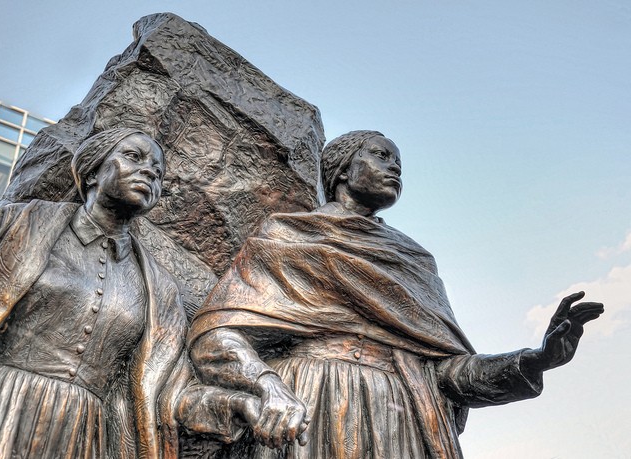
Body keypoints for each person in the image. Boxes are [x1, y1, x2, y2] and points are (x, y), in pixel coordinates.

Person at [187, 130, 604, 458]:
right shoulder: (286, 236)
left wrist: (537, 359)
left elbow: (448, 373)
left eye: (399, 162)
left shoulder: (414, 260)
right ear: (343, 171)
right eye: (381, 156)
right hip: (311, 396)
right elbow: (216, 336)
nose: (395, 168)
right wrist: (268, 387)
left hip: (403, 410)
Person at [0, 128, 259, 458]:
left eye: (158, 172)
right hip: (4, 402)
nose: (148, 171)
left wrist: (239, 403)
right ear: (92, 173)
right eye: (133, 157)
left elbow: (170, 391)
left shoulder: (159, 289)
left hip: (85, 431)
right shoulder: (16, 225)